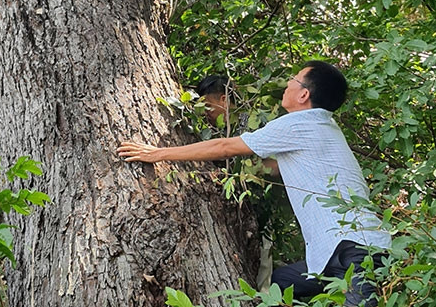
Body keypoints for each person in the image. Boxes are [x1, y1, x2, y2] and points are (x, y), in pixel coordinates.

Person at [118, 61, 391, 306]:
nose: (287, 84)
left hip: (355, 248)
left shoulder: (298, 124)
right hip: (333, 252)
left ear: (304, 94)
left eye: (293, 80)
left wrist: (157, 153)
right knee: (276, 285)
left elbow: (226, 146)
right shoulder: (323, 127)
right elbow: (275, 167)